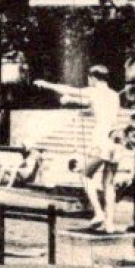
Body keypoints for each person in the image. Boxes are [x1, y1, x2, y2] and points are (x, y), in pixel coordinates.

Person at [35, 65, 125, 229]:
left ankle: (98, 212)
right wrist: (71, 101)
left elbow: (69, 89)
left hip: (101, 139)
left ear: (93, 78)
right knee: (109, 184)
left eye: (89, 79)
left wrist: (46, 84)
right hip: (116, 140)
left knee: (85, 175)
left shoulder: (93, 92)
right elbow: (95, 108)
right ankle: (109, 223)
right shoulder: (113, 95)